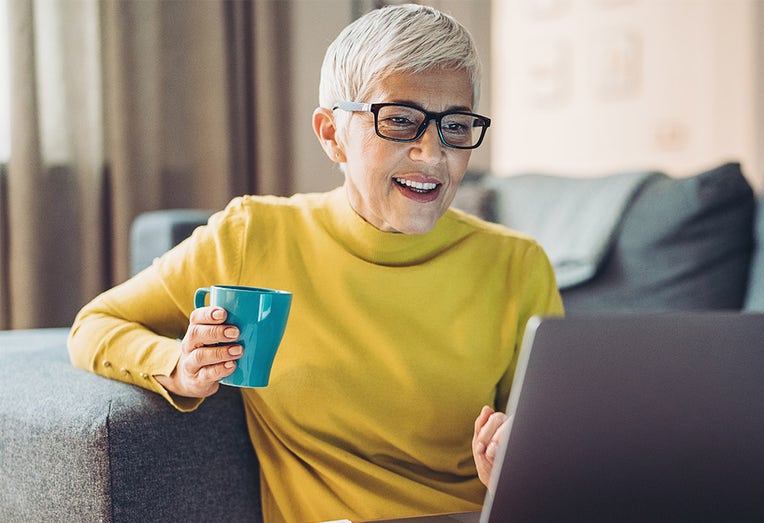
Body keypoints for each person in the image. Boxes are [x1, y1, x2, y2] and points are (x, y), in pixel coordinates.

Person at [68, 4, 562, 522]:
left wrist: (516, 467)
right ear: (331, 134)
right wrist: (179, 367)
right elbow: (94, 324)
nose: (432, 154)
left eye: (455, 126)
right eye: (398, 120)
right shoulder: (252, 236)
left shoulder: (518, 265)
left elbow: (548, 451)